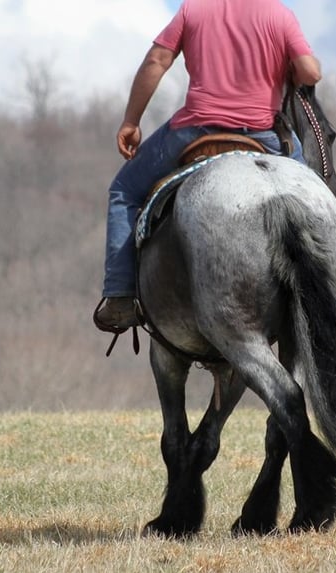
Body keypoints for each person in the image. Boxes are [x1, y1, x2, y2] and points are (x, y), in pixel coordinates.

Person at [94, 0, 321, 332]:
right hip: (263, 132)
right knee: (312, 197)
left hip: (196, 129)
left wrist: (132, 121)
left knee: (124, 191)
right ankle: (321, 290)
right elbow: (310, 73)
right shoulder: (278, 14)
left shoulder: (193, 10)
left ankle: (119, 296)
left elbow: (157, 60)